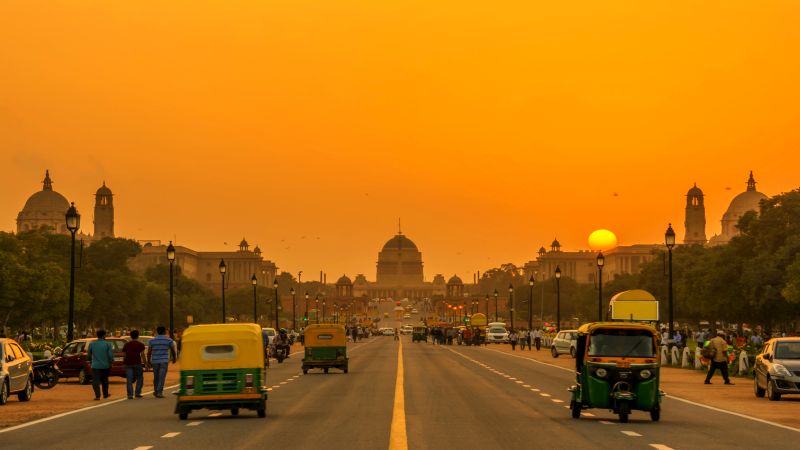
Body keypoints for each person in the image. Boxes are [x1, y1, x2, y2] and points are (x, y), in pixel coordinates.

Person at [147, 326, 177, 398]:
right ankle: (159, 392)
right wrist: (174, 358)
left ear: (157, 332)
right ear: (164, 331)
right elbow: (172, 350)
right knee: (162, 377)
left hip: (155, 361)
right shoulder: (169, 340)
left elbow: (149, 352)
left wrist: (148, 361)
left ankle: (156, 391)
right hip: (164, 360)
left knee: (156, 376)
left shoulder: (152, 341)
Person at [87, 329, 114, 400]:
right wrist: (111, 362)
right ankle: (105, 394)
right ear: (104, 335)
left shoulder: (92, 344)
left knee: (95, 381)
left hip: (95, 365)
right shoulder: (108, 344)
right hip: (105, 365)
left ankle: (97, 395)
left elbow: (89, 355)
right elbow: (110, 355)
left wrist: (90, 361)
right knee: (105, 380)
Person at [122, 329, 146, 399]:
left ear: (130, 336)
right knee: (140, 378)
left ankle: (130, 395)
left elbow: (124, 355)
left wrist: (124, 364)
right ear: (138, 336)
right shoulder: (140, 344)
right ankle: (137, 393)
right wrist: (145, 363)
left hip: (128, 363)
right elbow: (142, 355)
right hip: (137, 363)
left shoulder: (126, 345)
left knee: (129, 380)